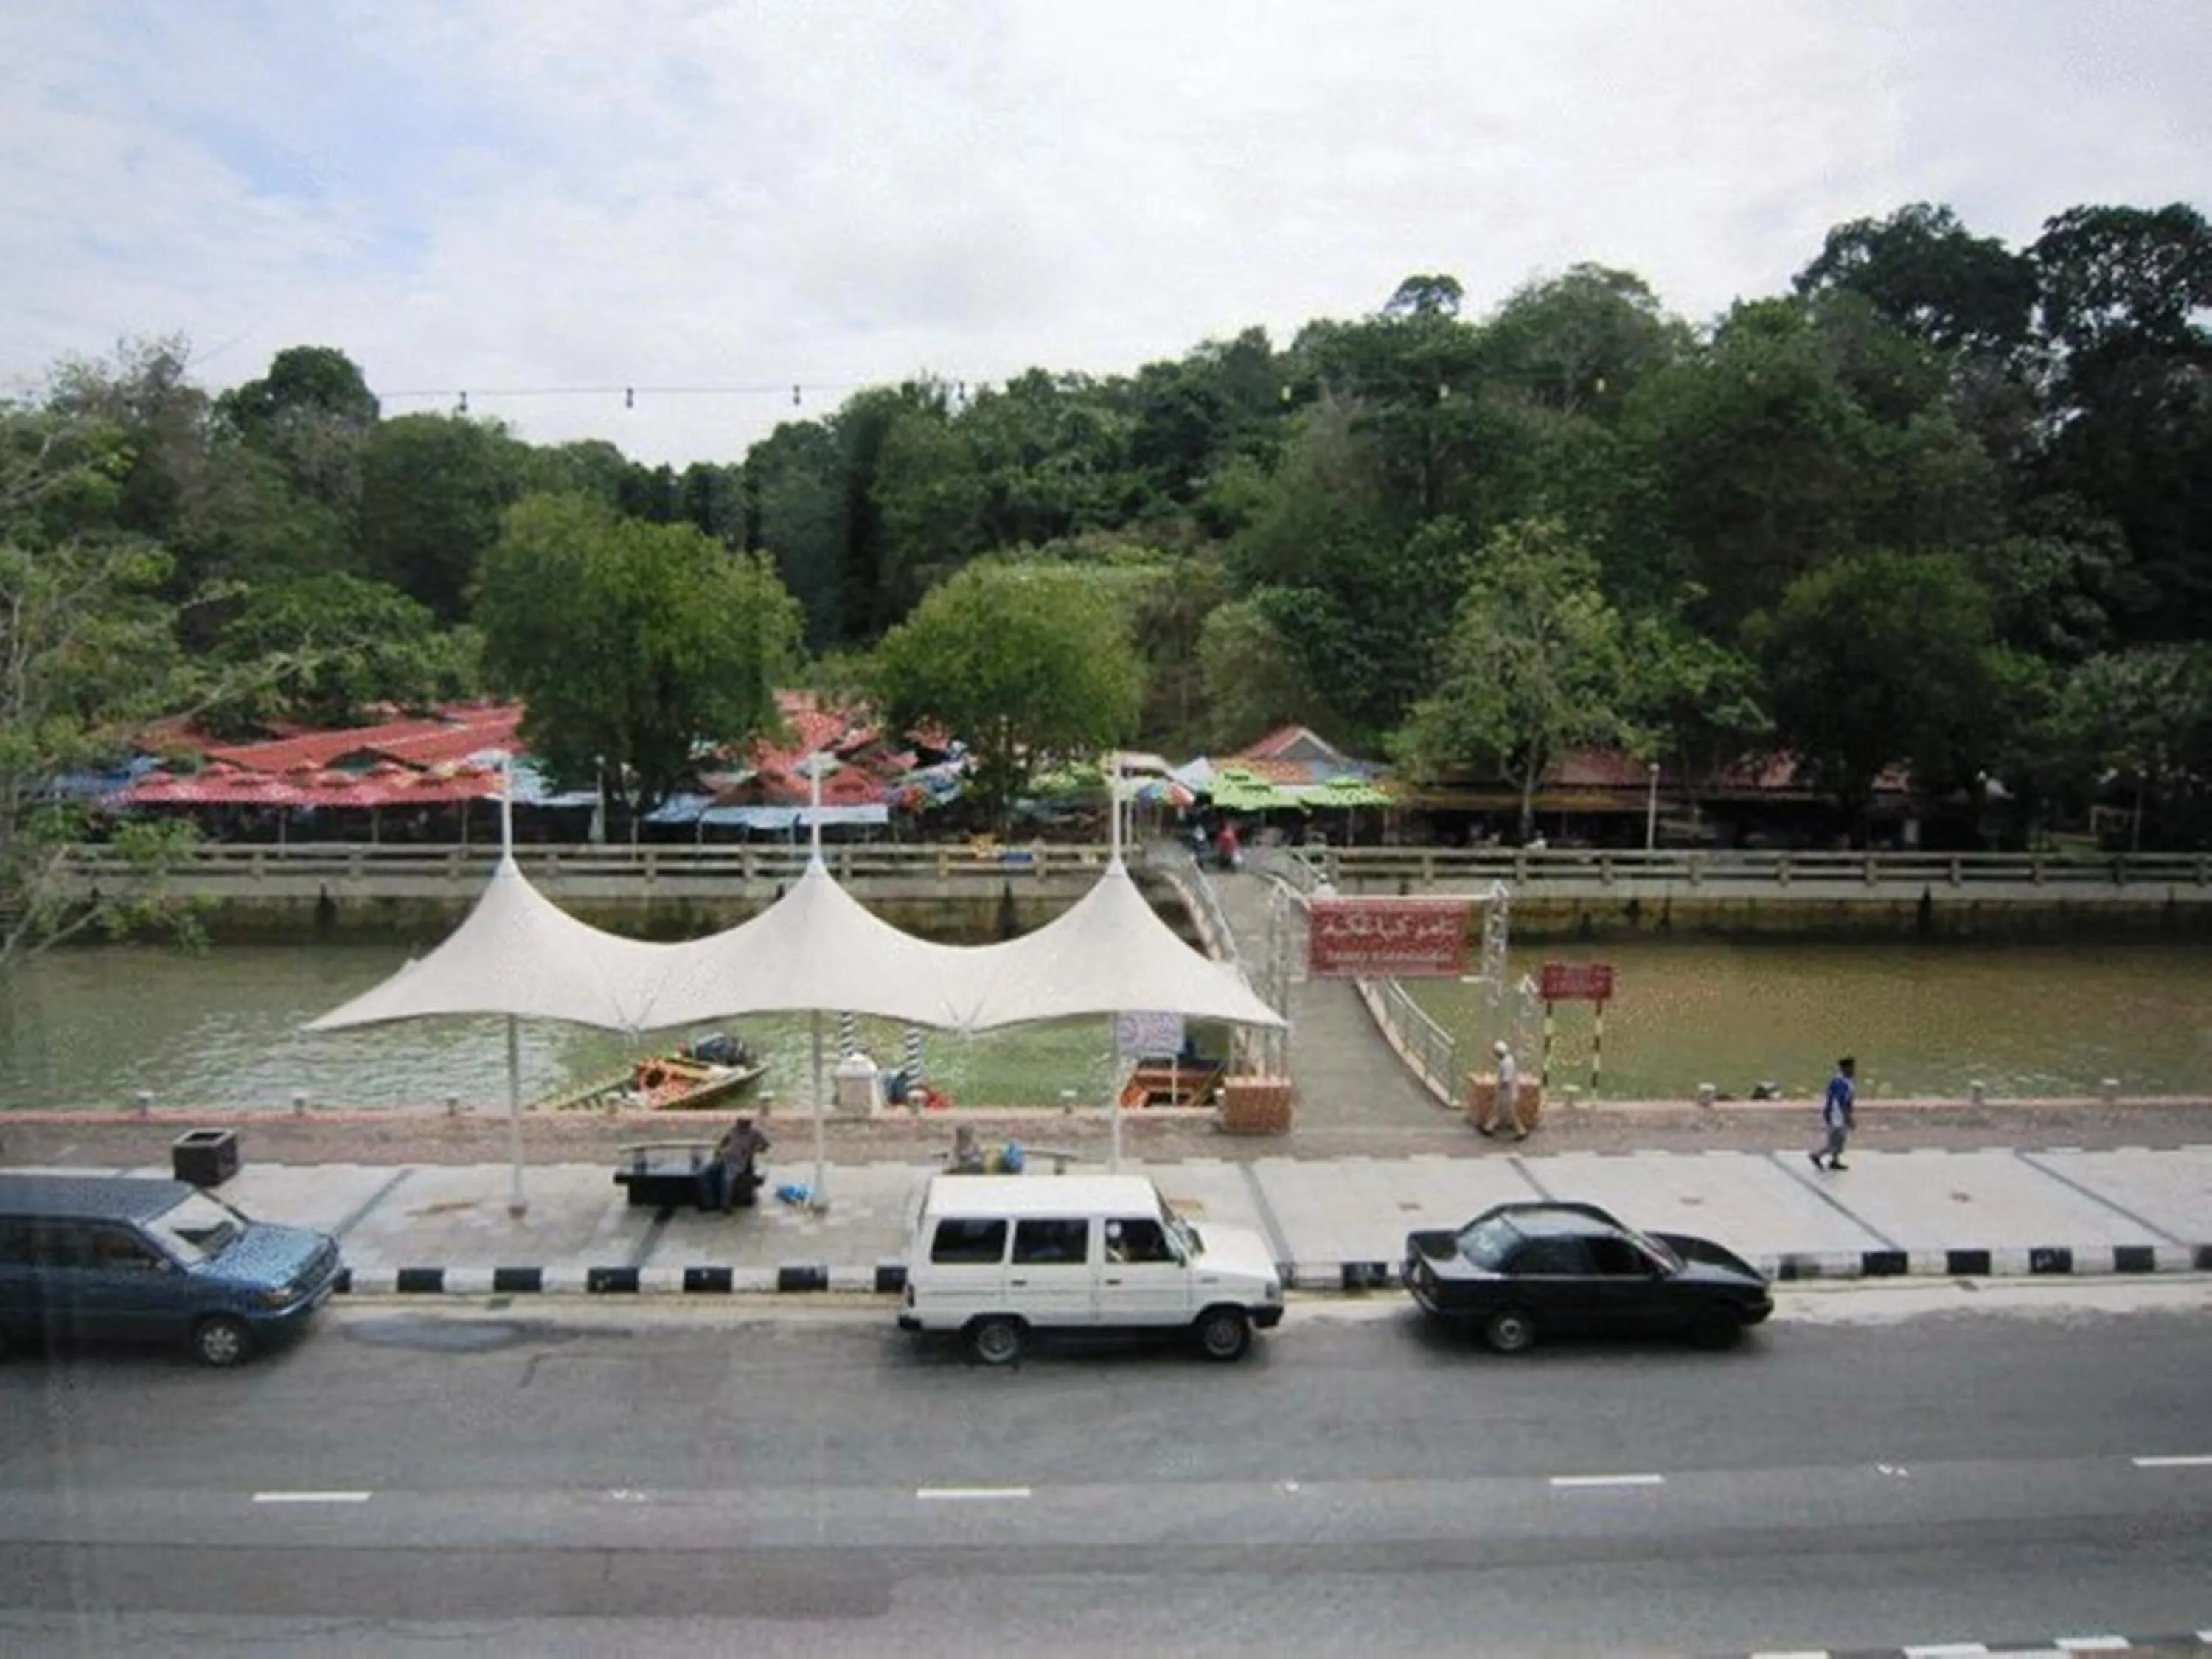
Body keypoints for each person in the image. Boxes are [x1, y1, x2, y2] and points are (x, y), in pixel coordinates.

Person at [702, 1114, 770, 1212]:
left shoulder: (755, 1133)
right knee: (704, 1174)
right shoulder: (733, 1131)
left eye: (744, 1124)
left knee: (727, 1181)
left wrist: (753, 1150)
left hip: (737, 1162)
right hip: (724, 1157)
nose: (740, 1126)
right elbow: (722, 1142)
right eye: (739, 1123)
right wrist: (718, 1152)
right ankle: (709, 1202)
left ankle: (726, 1206)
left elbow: (765, 1146)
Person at [1810, 1057, 1856, 1172]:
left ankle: (1834, 1161)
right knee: (1836, 1141)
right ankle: (1818, 1155)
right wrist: (1848, 1118)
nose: (1854, 1070)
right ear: (1845, 1068)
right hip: (1837, 1116)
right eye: (1851, 1067)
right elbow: (1843, 1102)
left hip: (1833, 1115)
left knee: (1840, 1140)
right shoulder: (1843, 1083)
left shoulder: (1839, 1080)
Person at [1484, 1037, 1523, 1139]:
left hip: (1507, 1092)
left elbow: (1506, 1080)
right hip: (1505, 1091)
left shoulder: (1507, 1063)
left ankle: (1521, 1131)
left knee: (1509, 1112)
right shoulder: (1507, 1061)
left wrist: (1498, 1090)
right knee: (1498, 1111)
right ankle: (1489, 1128)